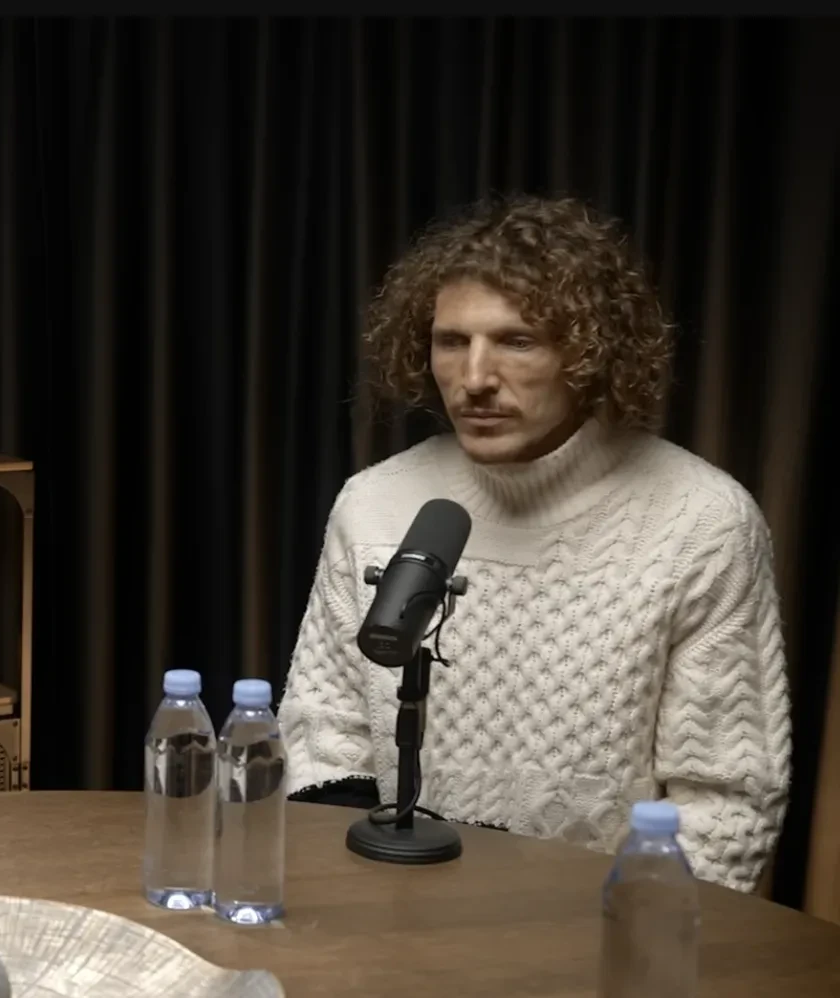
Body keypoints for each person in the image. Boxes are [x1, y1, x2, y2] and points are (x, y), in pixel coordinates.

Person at [278, 194, 792, 893]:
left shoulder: (702, 523)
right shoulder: (374, 504)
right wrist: (369, 914)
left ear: (590, 353)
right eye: (451, 342)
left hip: (596, 929)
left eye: (517, 341)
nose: (475, 379)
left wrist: (627, 936)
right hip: (388, 912)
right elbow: (323, 742)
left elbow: (727, 801)